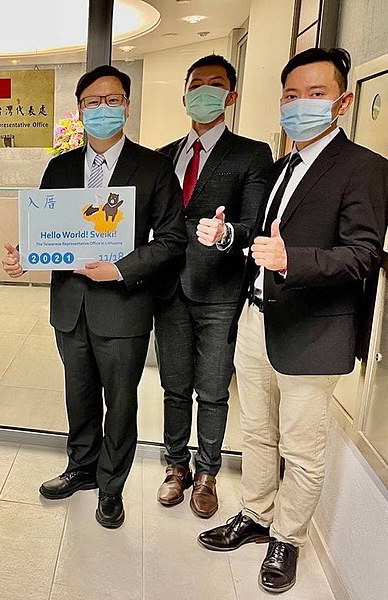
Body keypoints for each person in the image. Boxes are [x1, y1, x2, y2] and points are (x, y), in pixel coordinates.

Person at [198, 48, 388, 594]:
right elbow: (263, 239)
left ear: (342, 102)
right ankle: (256, 515)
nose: (300, 105)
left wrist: (293, 261)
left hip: (314, 330)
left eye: (315, 94)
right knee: (257, 433)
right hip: (256, 319)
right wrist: (229, 235)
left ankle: (288, 538)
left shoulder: (365, 168)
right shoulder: (282, 167)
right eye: (291, 95)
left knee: (301, 450)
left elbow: (363, 255)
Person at [2, 65, 187, 529]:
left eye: (112, 100)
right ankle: (81, 468)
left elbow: (171, 240)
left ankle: (111, 485)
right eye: (92, 102)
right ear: (80, 109)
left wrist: (121, 269)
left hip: (123, 308)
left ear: (127, 105)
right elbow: (46, 229)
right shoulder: (61, 167)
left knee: (120, 402)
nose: (102, 109)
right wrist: (24, 254)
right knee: (79, 395)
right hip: (70, 306)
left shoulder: (154, 167)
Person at [153, 55, 273, 518]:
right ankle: (175, 467)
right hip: (168, 289)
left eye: (215, 84)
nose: (204, 92)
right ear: (184, 95)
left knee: (213, 389)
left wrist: (227, 235)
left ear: (231, 95)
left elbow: (253, 223)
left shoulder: (251, 153)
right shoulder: (163, 156)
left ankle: (207, 473)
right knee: (174, 385)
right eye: (196, 84)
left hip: (219, 292)